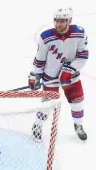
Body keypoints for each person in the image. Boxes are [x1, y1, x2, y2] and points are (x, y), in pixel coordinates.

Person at [28, 8, 89, 141]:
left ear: (69, 21)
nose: (59, 24)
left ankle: (79, 126)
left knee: (77, 102)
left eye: (63, 21)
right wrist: (35, 75)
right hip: (50, 77)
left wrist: (70, 70)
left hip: (71, 77)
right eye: (57, 21)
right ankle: (37, 125)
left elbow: (83, 55)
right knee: (47, 105)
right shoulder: (46, 37)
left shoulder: (79, 33)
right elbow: (39, 59)